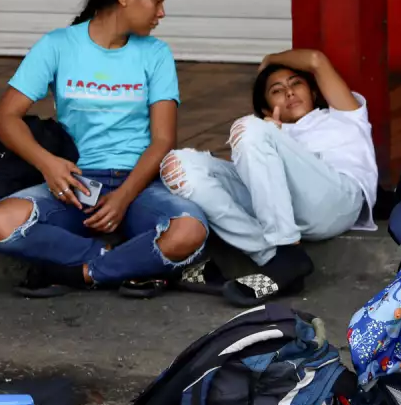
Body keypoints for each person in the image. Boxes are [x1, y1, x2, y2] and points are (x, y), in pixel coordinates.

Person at [0, 0, 209, 299]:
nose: (161, 13)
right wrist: (48, 164)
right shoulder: (58, 45)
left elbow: (163, 139)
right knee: (0, 223)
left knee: (189, 230)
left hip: (140, 184)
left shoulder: (156, 53)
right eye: (156, 1)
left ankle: (83, 273)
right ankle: (126, 265)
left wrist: (123, 198)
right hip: (75, 183)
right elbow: (4, 117)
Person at [160, 49, 378, 306]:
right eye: (276, 90)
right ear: (266, 107)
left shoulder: (344, 114)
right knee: (176, 165)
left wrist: (270, 60)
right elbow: (261, 180)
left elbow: (315, 60)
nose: (289, 92)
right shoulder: (265, 133)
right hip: (290, 211)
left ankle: (284, 248)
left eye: (296, 84)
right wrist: (274, 134)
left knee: (247, 128)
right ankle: (275, 258)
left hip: (338, 201)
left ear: (314, 93)